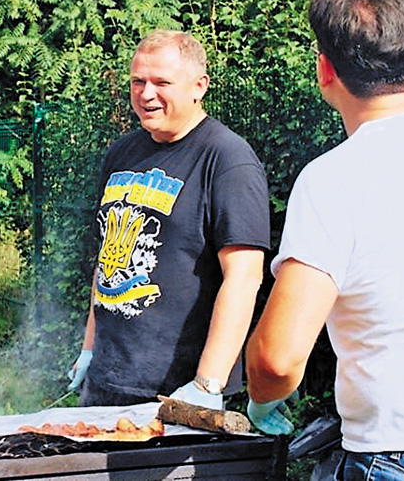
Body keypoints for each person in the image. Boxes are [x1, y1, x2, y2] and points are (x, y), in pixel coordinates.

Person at [246, 0, 404, 479]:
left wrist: (261, 399)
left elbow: (277, 359)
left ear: (325, 71)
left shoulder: (335, 180)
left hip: (393, 452)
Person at [67, 30, 270, 410]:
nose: (146, 94)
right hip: (105, 382)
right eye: (138, 81)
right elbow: (107, 255)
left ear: (199, 86)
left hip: (176, 392)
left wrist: (207, 385)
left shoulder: (226, 160)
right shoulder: (121, 153)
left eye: (162, 82)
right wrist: (89, 349)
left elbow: (244, 278)